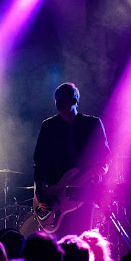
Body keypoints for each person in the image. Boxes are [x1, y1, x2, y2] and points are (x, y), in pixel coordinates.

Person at [33, 83, 111, 237]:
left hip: (85, 193)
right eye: (56, 100)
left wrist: (103, 169)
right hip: (55, 195)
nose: (57, 104)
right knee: (59, 244)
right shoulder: (48, 126)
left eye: (62, 100)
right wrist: (40, 192)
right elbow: (39, 162)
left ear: (74, 101)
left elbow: (105, 158)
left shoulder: (92, 124)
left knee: (83, 239)